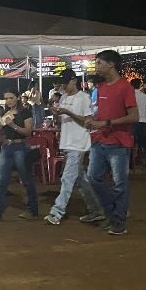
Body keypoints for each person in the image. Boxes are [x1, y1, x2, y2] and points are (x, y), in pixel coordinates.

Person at [84, 50, 138, 235]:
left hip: (119, 142)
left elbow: (134, 116)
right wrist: (93, 120)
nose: (96, 66)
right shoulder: (101, 88)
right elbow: (101, 114)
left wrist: (105, 123)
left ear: (111, 64)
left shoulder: (125, 87)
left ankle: (118, 221)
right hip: (100, 140)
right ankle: (114, 212)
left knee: (119, 183)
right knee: (93, 177)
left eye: (99, 62)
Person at [44, 70, 104, 225]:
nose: (63, 86)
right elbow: (60, 120)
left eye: (66, 83)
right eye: (62, 83)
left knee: (67, 177)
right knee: (79, 179)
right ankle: (96, 210)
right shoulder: (64, 97)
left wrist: (68, 112)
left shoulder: (83, 97)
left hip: (78, 143)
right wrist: (55, 113)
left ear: (74, 81)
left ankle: (57, 212)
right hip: (67, 141)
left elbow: (88, 121)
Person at [0, 88, 38, 221]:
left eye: (11, 98)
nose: (8, 101)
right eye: (6, 98)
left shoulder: (25, 112)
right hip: (7, 147)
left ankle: (32, 210)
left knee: (26, 180)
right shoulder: (6, 113)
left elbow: (28, 132)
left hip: (20, 147)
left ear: (17, 98)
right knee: (2, 181)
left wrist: (13, 125)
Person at [130, 79, 146, 171]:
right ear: (140, 86)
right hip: (142, 123)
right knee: (145, 144)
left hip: (131, 123)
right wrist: (143, 115)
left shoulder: (128, 96)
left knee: (130, 144)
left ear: (131, 86)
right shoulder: (145, 97)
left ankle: (130, 164)